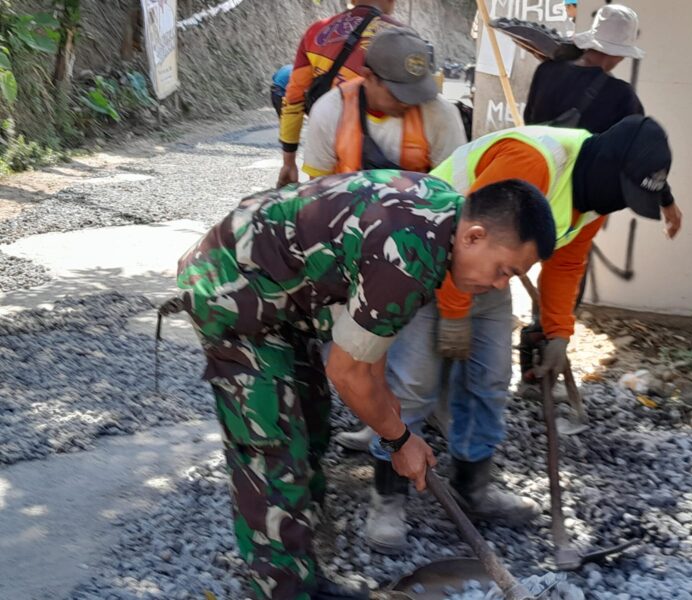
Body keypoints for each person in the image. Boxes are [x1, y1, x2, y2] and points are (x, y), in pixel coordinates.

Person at [175, 169, 557, 599]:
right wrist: (399, 439)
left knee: (312, 425)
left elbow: (370, 342)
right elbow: (348, 372)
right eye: (504, 270)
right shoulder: (411, 257)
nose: (499, 285)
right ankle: (281, 590)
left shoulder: (445, 215)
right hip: (231, 292)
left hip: (283, 297)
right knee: (273, 449)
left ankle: (305, 568)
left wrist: (390, 413)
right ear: (474, 236)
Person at [355, 116, 684, 554]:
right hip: (424, 254)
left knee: (489, 378)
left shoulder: (593, 197)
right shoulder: (535, 161)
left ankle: (473, 488)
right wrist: (453, 313)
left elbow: (566, 264)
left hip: (489, 273)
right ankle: (388, 499)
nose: (618, 205)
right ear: (608, 168)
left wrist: (556, 332)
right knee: (413, 382)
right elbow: (467, 234)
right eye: (622, 194)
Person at [303, 28, 466, 188]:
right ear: (367, 76)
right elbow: (317, 191)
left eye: (416, 91)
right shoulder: (329, 111)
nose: (408, 102)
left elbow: (453, 189)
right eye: (399, 93)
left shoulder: (441, 113)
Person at [278, 1, 402, 187]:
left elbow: (293, 99)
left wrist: (289, 162)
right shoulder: (402, 36)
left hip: (324, 150)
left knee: (326, 207)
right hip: (378, 160)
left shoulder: (316, 32)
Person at [524, 4, 644, 134]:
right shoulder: (622, 95)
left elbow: (528, 119)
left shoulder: (546, 70)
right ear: (620, 54)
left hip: (537, 152)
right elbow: (632, 143)